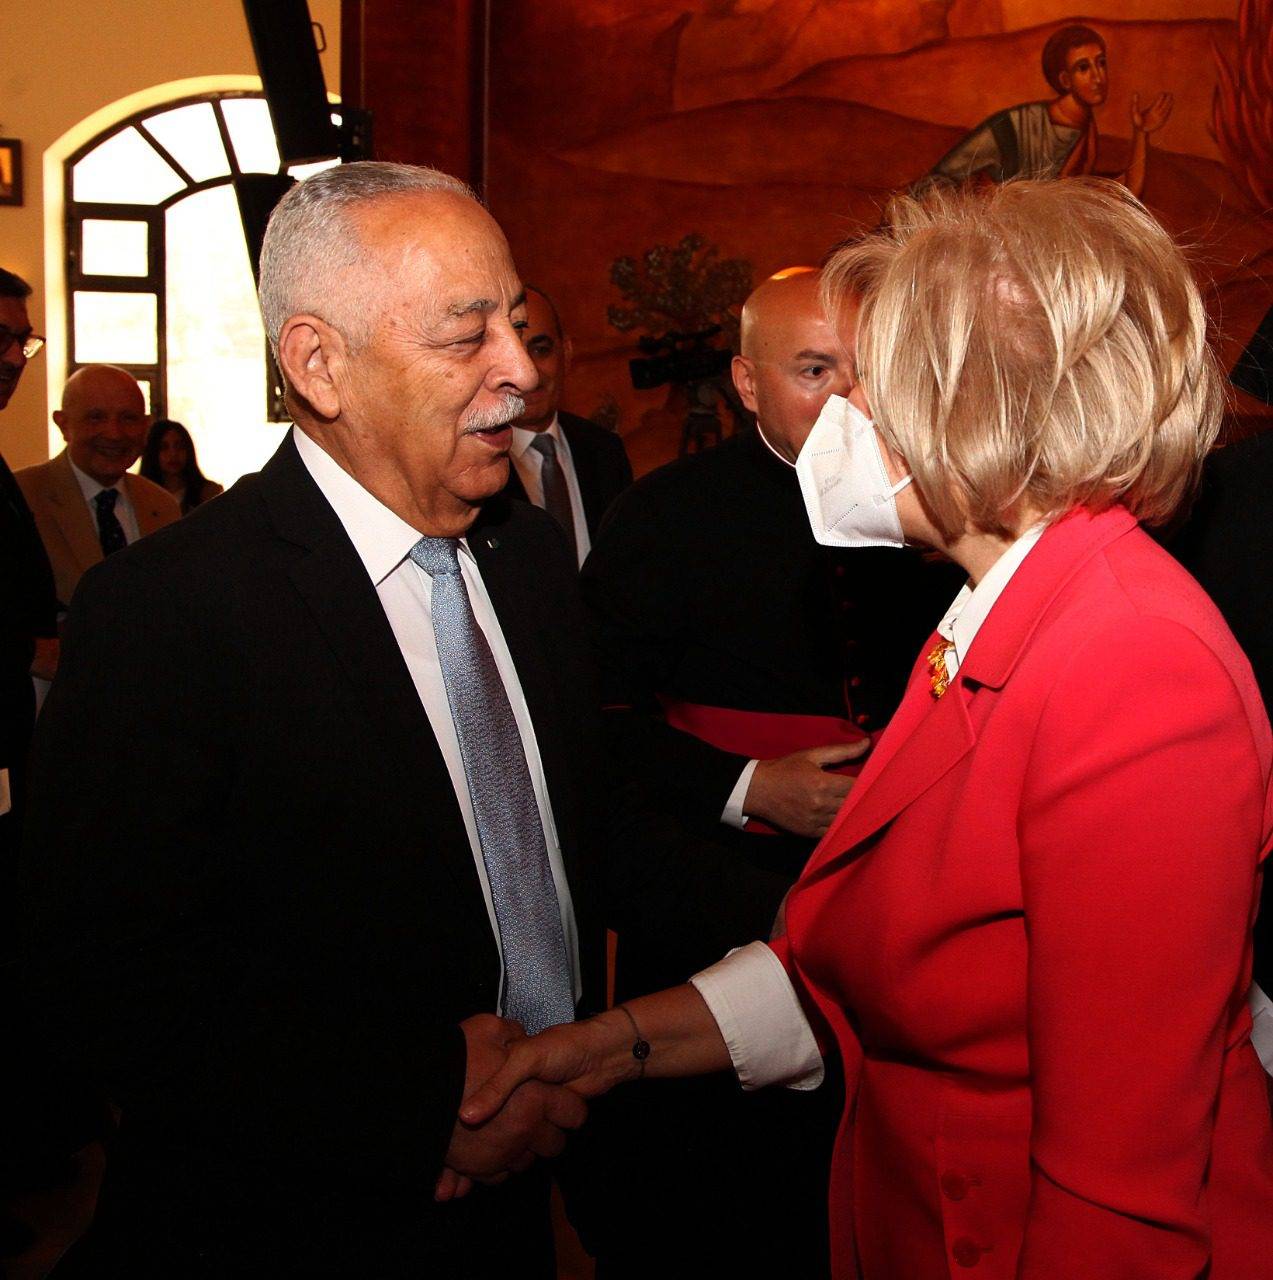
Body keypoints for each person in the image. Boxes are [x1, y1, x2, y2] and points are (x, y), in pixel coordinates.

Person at [465, 178, 1273, 1280]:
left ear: (976, 408)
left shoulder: (1132, 664)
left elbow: (1121, 1198)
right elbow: (873, 956)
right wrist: (609, 1045)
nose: (842, 417)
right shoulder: (995, 605)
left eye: (869, 381)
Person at [18, 162, 639, 1277]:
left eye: (516, 323)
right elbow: (104, 972)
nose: (519, 369)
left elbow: (566, 835)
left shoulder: (534, 558)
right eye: (467, 335)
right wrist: (414, 1103)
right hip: (288, 1222)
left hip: (529, 1201)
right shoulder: (168, 608)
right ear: (317, 363)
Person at [573, 268, 958, 1278]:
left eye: (864, 371)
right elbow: (589, 727)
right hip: (709, 887)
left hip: (893, 898)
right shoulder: (662, 515)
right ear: (747, 383)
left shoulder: (934, 504)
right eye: (813, 370)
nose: (848, 399)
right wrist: (747, 784)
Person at [918, 24, 1172, 199]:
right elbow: (941, 180)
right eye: (1083, 68)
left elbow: (1125, 190)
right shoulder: (1015, 127)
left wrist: (1141, 132)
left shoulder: (1084, 129)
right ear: (1065, 80)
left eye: (1101, 63)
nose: (1098, 77)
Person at [16, 365, 179, 607]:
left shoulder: (163, 506)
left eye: (128, 418)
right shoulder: (21, 497)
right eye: (96, 417)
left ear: (146, 426)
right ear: (63, 424)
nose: (114, 433)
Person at [502, 285, 632, 566]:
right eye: (513, 354)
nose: (529, 372)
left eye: (541, 350)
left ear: (567, 353)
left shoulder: (605, 449)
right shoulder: (478, 466)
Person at [138, 418, 223, 514]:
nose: (173, 454)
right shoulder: (140, 495)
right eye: (164, 447)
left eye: (180, 446)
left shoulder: (209, 493)